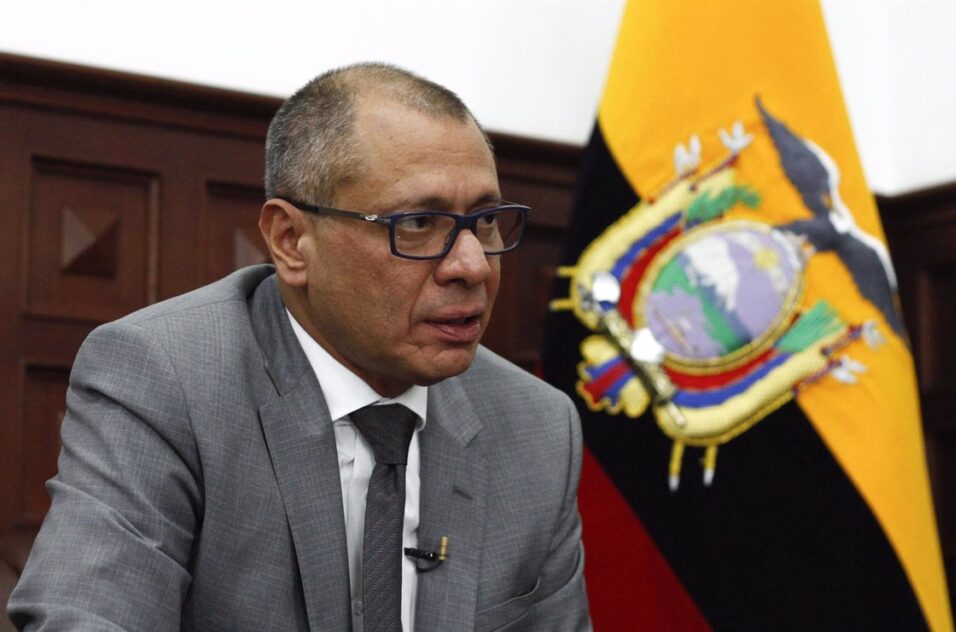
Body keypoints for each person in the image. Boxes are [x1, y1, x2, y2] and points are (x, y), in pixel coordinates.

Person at [8, 63, 590, 631]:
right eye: (417, 223)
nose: (472, 266)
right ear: (291, 241)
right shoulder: (167, 380)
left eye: (486, 221)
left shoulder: (538, 427)